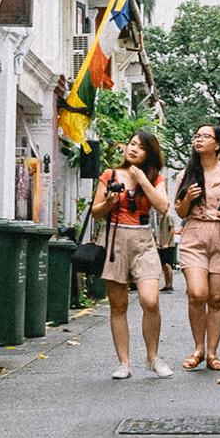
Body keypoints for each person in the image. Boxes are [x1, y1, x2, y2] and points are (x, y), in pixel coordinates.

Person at [89, 128, 171, 378]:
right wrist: (109, 203)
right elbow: (95, 211)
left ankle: (152, 357)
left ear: (150, 152)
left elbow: (164, 207)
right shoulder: (110, 174)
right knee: (119, 305)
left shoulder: (156, 178)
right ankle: (124, 363)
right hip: (115, 238)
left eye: (141, 146)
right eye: (132, 144)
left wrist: (143, 180)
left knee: (150, 300)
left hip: (143, 240)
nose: (133, 148)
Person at [173, 124, 220, 371]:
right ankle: (198, 348)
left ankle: (212, 353)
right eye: (197, 135)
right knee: (197, 294)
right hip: (194, 235)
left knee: (216, 298)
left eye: (205, 136)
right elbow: (180, 211)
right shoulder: (188, 173)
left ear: (217, 145)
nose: (199, 139)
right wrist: (188, 199)